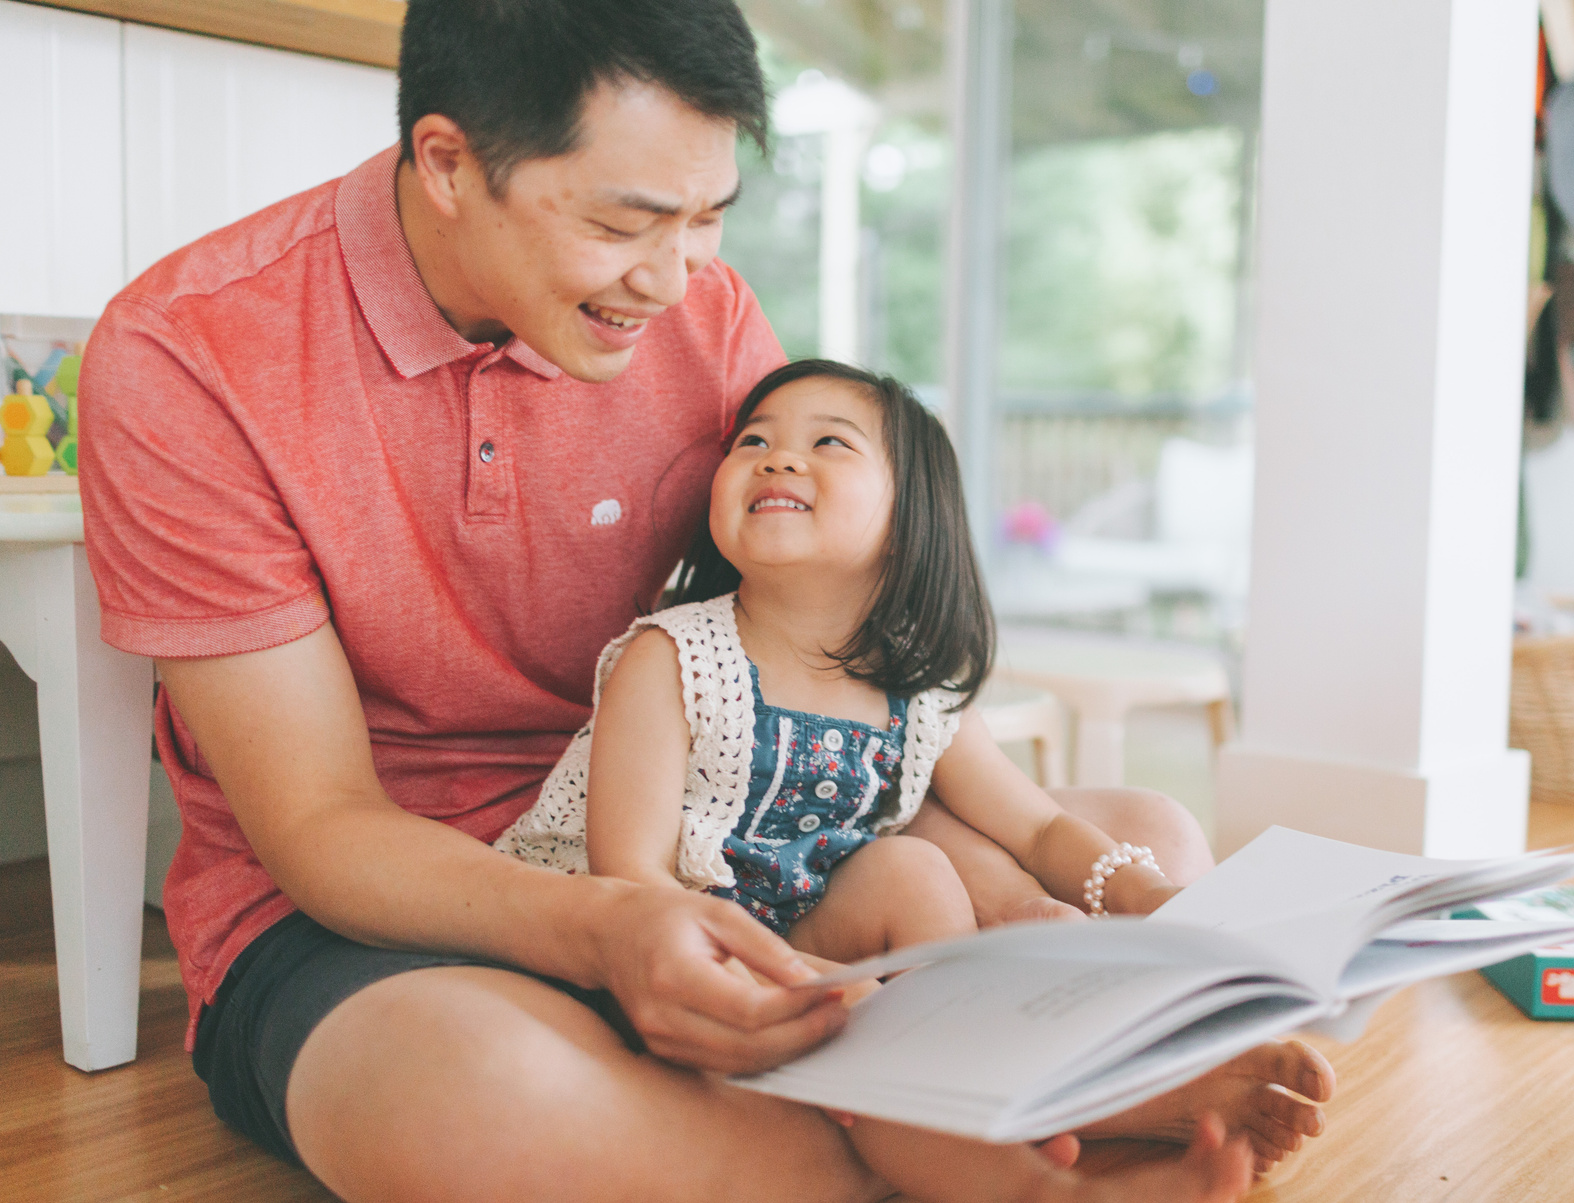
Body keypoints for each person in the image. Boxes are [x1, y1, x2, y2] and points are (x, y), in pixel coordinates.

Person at [76, 0, 1330, 1198]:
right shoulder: (186, 358)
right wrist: (610, 927)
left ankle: (922, 1115)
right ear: (449, 164)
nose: (675, 284)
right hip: (392, 912)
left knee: (1148, 838)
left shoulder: (706, 315)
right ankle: (1010, 1108)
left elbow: (818, 630)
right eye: (625, 225)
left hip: (719, 835)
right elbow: (323, 829)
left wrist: (1031, 866)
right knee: (485, 1103)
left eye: (710, 218)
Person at [494, 356, 1303, 1201]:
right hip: (659, 958)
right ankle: (1039, 1177)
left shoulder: (917, 689)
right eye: (753, 441)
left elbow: (1034, 826)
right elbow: (632, 878)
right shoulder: (673, 657)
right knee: (896, 999)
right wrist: (802, 993)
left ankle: (982, 1080)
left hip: (806, 944)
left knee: (909, 872)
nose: (775, 458)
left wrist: (1145, 895)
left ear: (907, 515)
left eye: (828, 442)